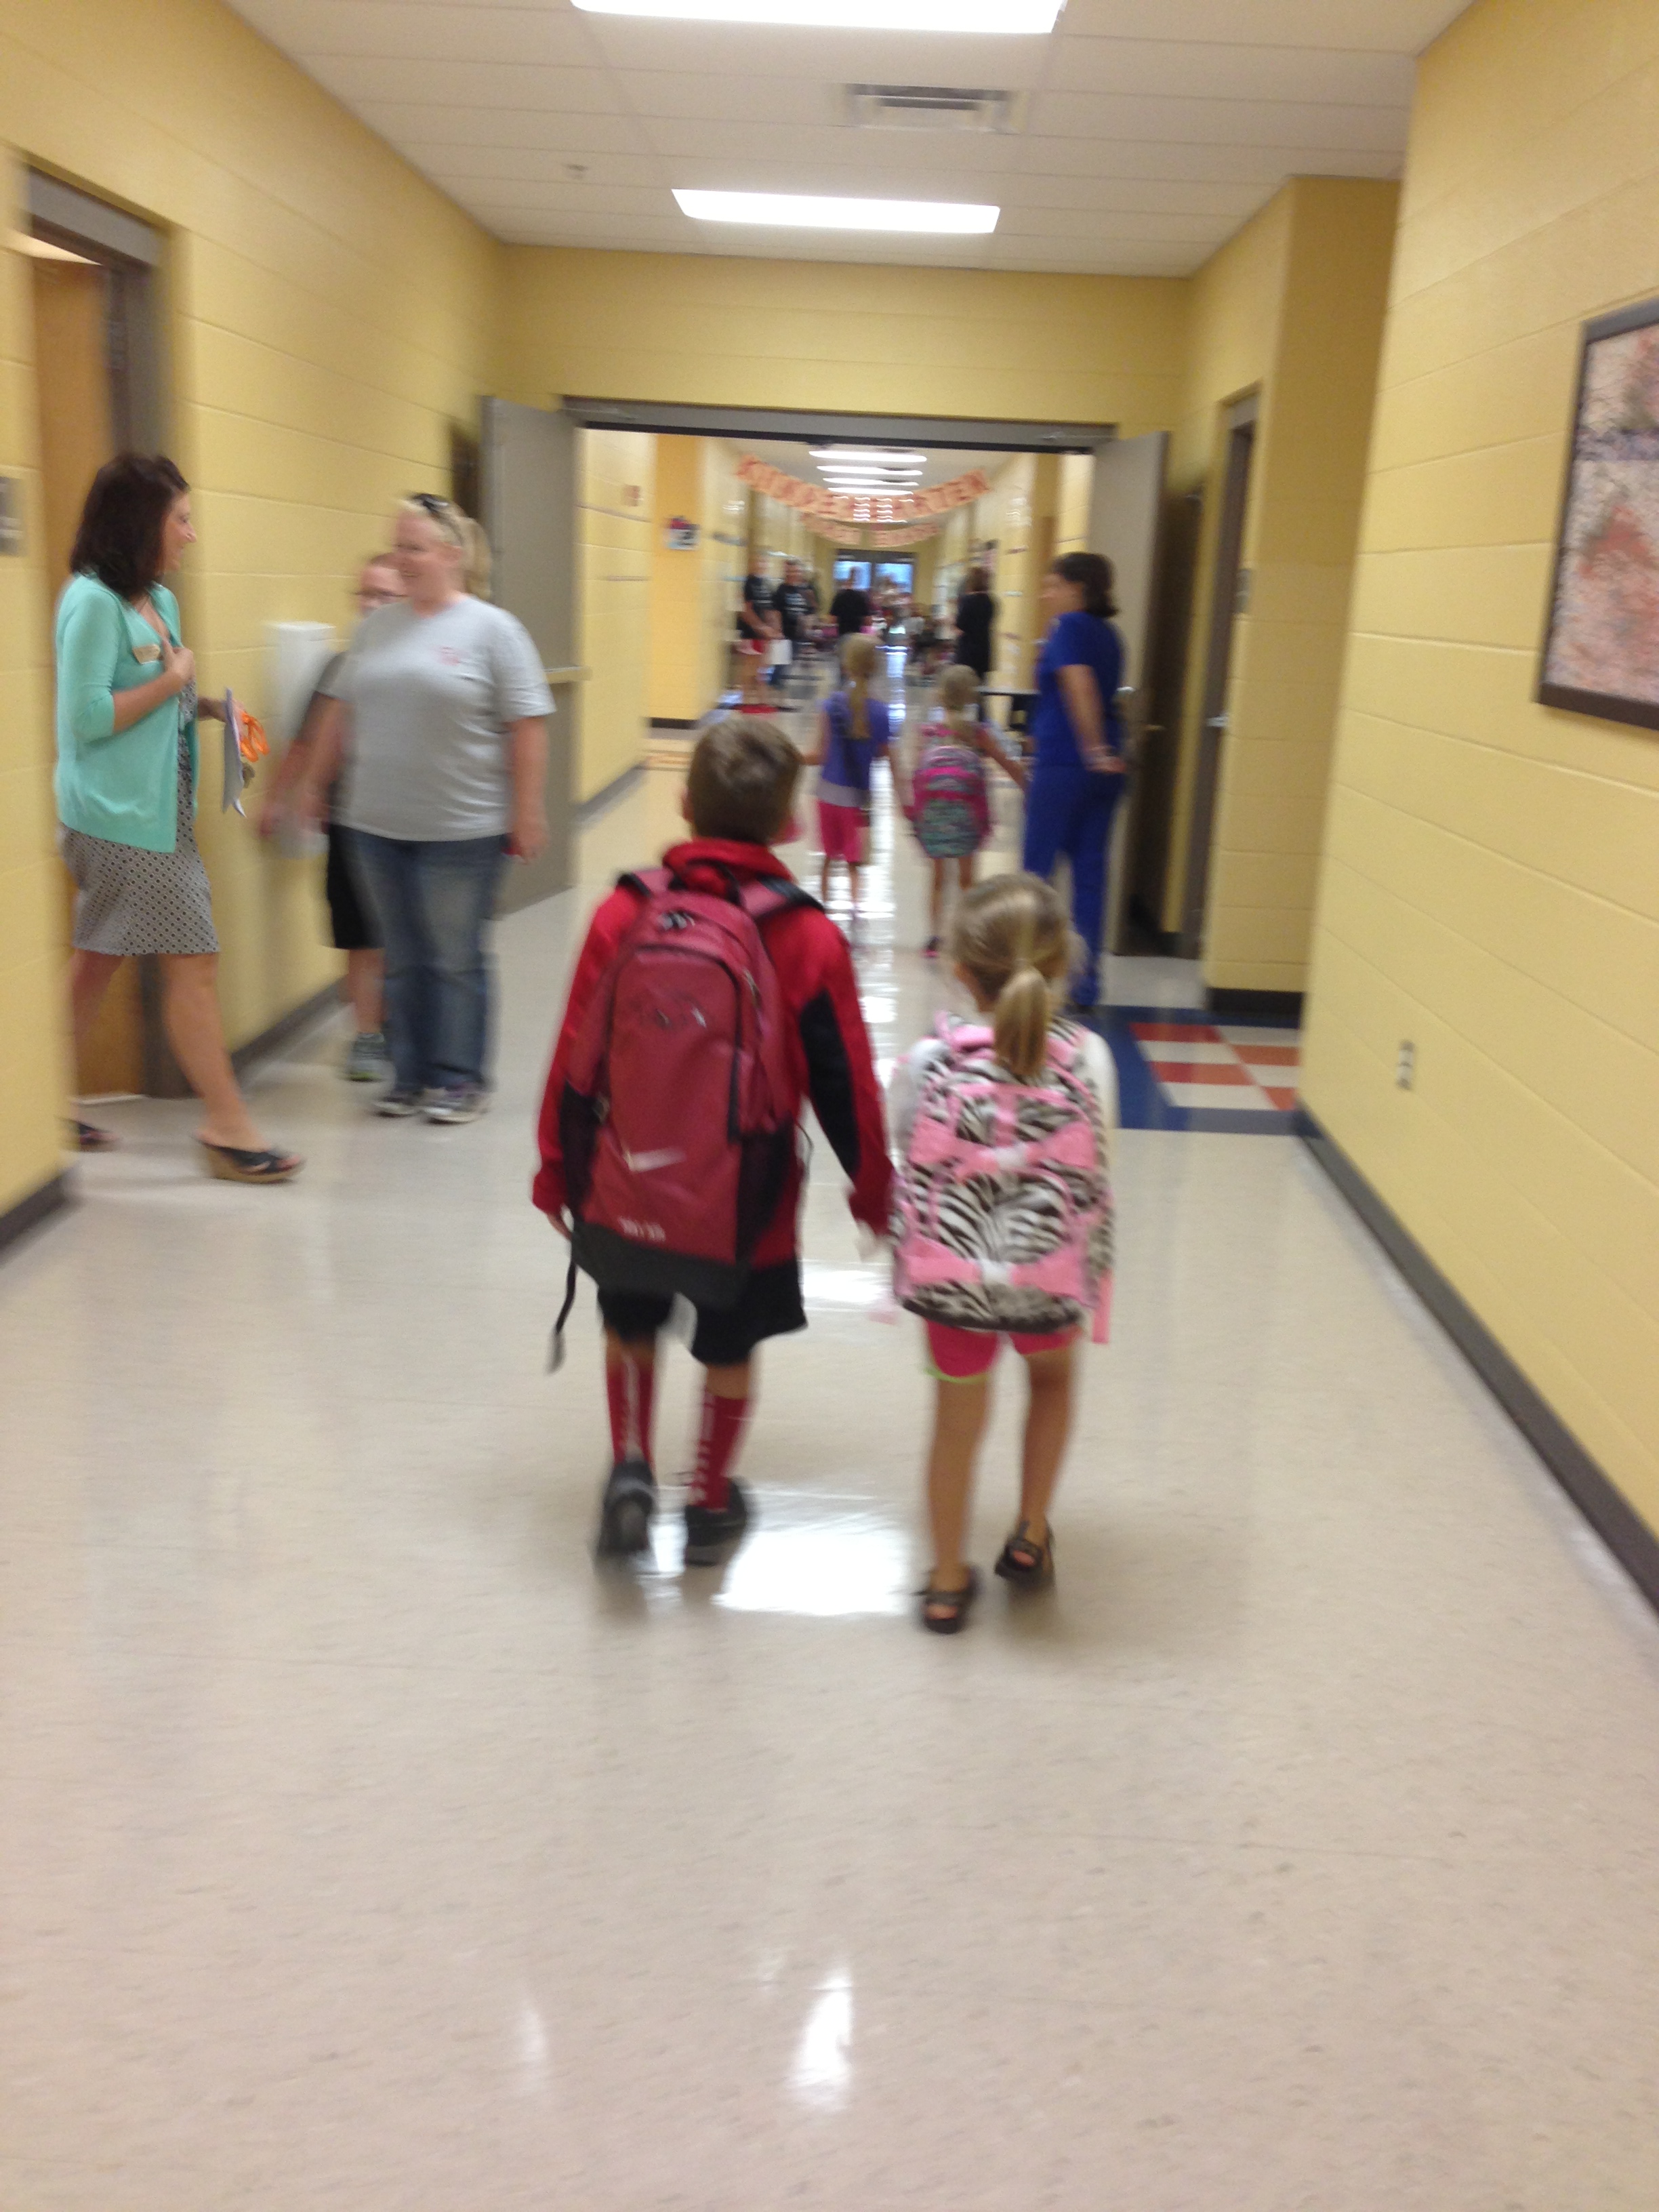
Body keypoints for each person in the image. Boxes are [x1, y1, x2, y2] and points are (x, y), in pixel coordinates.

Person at [534, 716, 892, 1564]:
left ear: (684, 802)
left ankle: (631, 1465)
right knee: (730, 1342)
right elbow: (845, 1082)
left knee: (630, 1321)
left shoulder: (626, 910)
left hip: (628, 1181)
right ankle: (707, 1500)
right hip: (746, 1199)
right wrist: (874, 1191)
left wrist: (558, 1168)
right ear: (789, 824)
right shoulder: (807, 935)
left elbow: (576, 1052)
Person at [55, 453, 302, 1182]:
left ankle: (35, 1103)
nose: (191, 535)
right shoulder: (91, 603)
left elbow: (157, 696)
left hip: (161, 813)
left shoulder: (157, 599)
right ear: (141, 524)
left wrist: (208, 705)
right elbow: (88, 717)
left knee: (96, 962)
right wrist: (172, 681)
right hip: (120, 821)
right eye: (181, 520)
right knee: (194, 964)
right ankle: (227, 1126)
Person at [888, 874, 1115, 1633]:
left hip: (953, 1279)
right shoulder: (1090, 1058)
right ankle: (1029, 1534)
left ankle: (946, 1581)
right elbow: (1102, 1159)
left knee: (956, 1419)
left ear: (960, 971)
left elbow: (906, 1146)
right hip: (1050, 1273)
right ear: (1064, 965)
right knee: (1051, 1383)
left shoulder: (931, 1059)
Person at [300, 495, 552, 1124]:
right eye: (397, 547)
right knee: (401, 957)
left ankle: (460, 1079)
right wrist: (314, 784)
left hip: (461, 828)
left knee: (454, 958)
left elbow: (527, 726)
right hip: (374, 825)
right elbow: (341, 711)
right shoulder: (376, 628)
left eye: (414, 548)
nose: (402, 559)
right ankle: (410, 1077)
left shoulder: (494, 630)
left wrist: (528, 810)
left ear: (452, 554)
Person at [257, 554, 405, 1080]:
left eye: (386, 595)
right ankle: (367, 1035)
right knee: (360, 935)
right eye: (366, 593)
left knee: (404, 936)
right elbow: (306, 740)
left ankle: (402, 1024)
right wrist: (279, 798)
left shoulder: (424, 670)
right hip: (351, 821)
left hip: (411, 822)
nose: (372, 605)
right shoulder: (339, 668)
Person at [1021, 552, 1128, 1013]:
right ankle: (1085, 984)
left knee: (1036, 874)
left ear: (1077, 589)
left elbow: (1078, 684)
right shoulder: (1110, 635)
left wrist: (1092, 747)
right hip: (1104, 773)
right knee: (1090, 875)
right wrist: (1104, 753)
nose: (1045, 595)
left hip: (1067, 764)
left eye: (1053, 586)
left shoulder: (1067, 627)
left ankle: (1028, 976)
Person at [909, 663, 1027, 956]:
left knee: (938, 879)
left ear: (940, 696)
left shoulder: (927, 733)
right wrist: (1031, 788)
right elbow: (1008, 764)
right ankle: (966, 937)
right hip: (967, 816)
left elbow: (917, 776)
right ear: (972, 698)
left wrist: (914, 815)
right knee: (967, 880)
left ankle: (934, 938)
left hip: (934, 815)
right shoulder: (978, 733)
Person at [800, 633, 893, 926]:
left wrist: (791, 756)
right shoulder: (881, 712)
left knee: (828, 858)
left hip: (827, 795)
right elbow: (882, 755)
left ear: (846, 666)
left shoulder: (830, 706)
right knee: (855, 863)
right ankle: (855, 911)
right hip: (857, 800)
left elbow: (819, 755)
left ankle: (824, 912)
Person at [951, 565, 997, 682]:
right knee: (980, 685)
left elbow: (960, 627)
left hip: (968, 651)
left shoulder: (967, 601)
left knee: (965, 684)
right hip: (984, 649)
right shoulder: (991, 602)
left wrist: (950, 622)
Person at [830, 574, 872, 638]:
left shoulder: (839, 597)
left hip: (843, 633)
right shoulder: (861, 597)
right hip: (857, 633)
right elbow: (868, 621)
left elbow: (833, 620)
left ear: (845, 584)